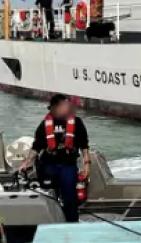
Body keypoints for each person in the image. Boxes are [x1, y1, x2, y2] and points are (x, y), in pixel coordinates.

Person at [19, 94, 91, 222]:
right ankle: (52, 221)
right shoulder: (44, 125)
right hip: (48, 165)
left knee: (70, 197)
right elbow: (37, 147)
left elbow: (84, 145)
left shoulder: (77, 123)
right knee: (50, 196)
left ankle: (72, 223)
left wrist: (86, 164)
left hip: (68, 165)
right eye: (64, 105)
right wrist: (26, 163)